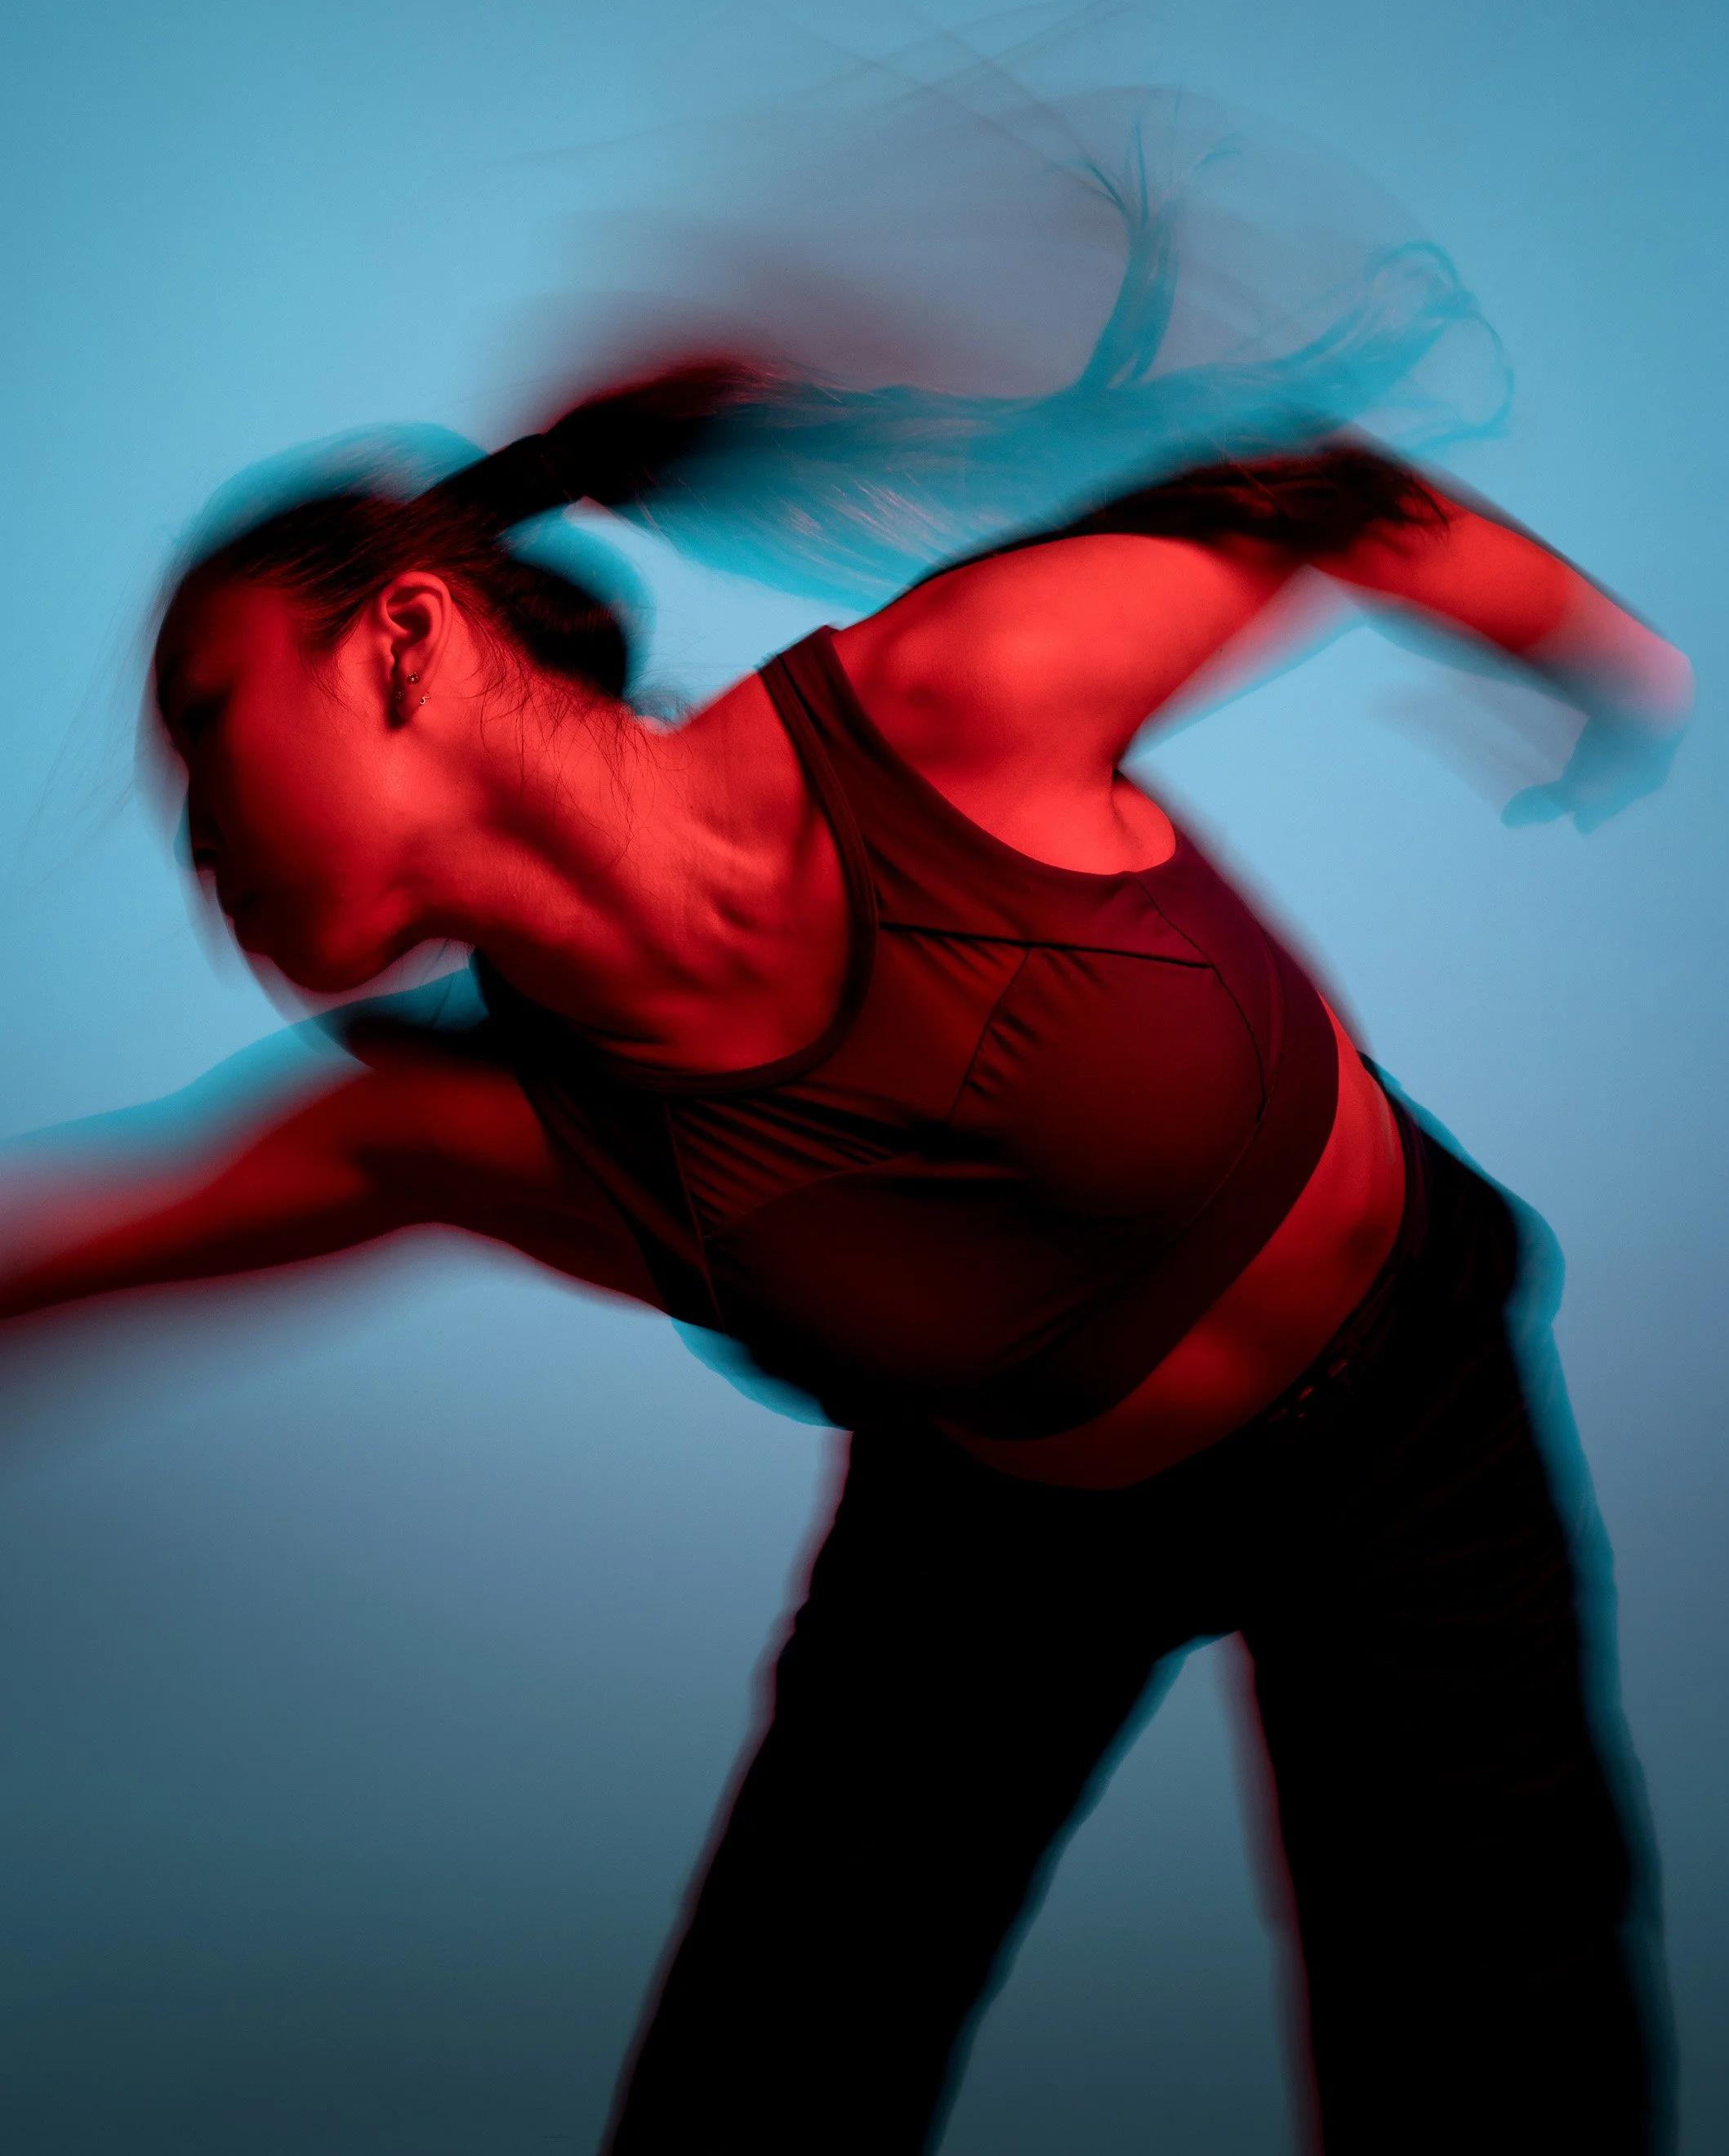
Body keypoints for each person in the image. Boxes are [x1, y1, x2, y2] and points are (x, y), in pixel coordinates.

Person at [0, 366, 1690, 2154]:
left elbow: (1324, 503)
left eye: (208, 715)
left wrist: (1612, 670)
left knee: (1504, 2089)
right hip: (989, 1549)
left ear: (401, 640)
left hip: (1408, 1445)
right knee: (751, 2106)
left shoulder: (951, 700)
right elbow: (81, 1242)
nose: (195, 837)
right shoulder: (457, 1129)